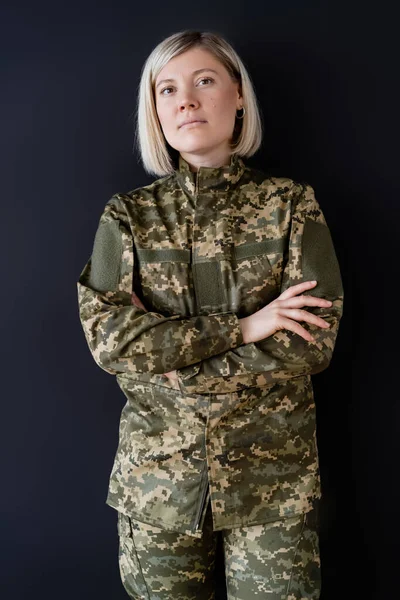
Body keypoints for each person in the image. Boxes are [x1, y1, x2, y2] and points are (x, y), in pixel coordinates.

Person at [76, 29, 344, 600]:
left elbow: (309, 345)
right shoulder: (128, 218)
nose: (186, 101)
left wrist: (172, 364)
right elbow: (112, 343)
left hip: (274, 484)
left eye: (204, 81)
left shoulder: (291, 204)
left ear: (238, 94)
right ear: (155, 109)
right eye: (167, 89)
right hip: (158, 485)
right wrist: (246, 327)